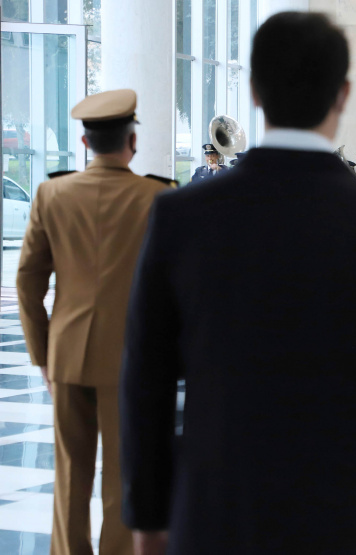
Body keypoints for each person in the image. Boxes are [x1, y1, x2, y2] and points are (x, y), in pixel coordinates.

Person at [119, 13, 356, 555]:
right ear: (343, 94)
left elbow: (145, 380)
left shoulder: (182, 216)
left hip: (215, 512)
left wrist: (146, 520)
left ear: (254, 90)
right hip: (346, 516)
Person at [16, 89, 173, 555]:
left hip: (66, 355)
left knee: (70, 474)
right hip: (133, 359)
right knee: (126, 472)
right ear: (133, 141)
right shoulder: (158, 198)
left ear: (84, 143)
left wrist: (41, 354)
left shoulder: (51, 193)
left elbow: (28, 282)